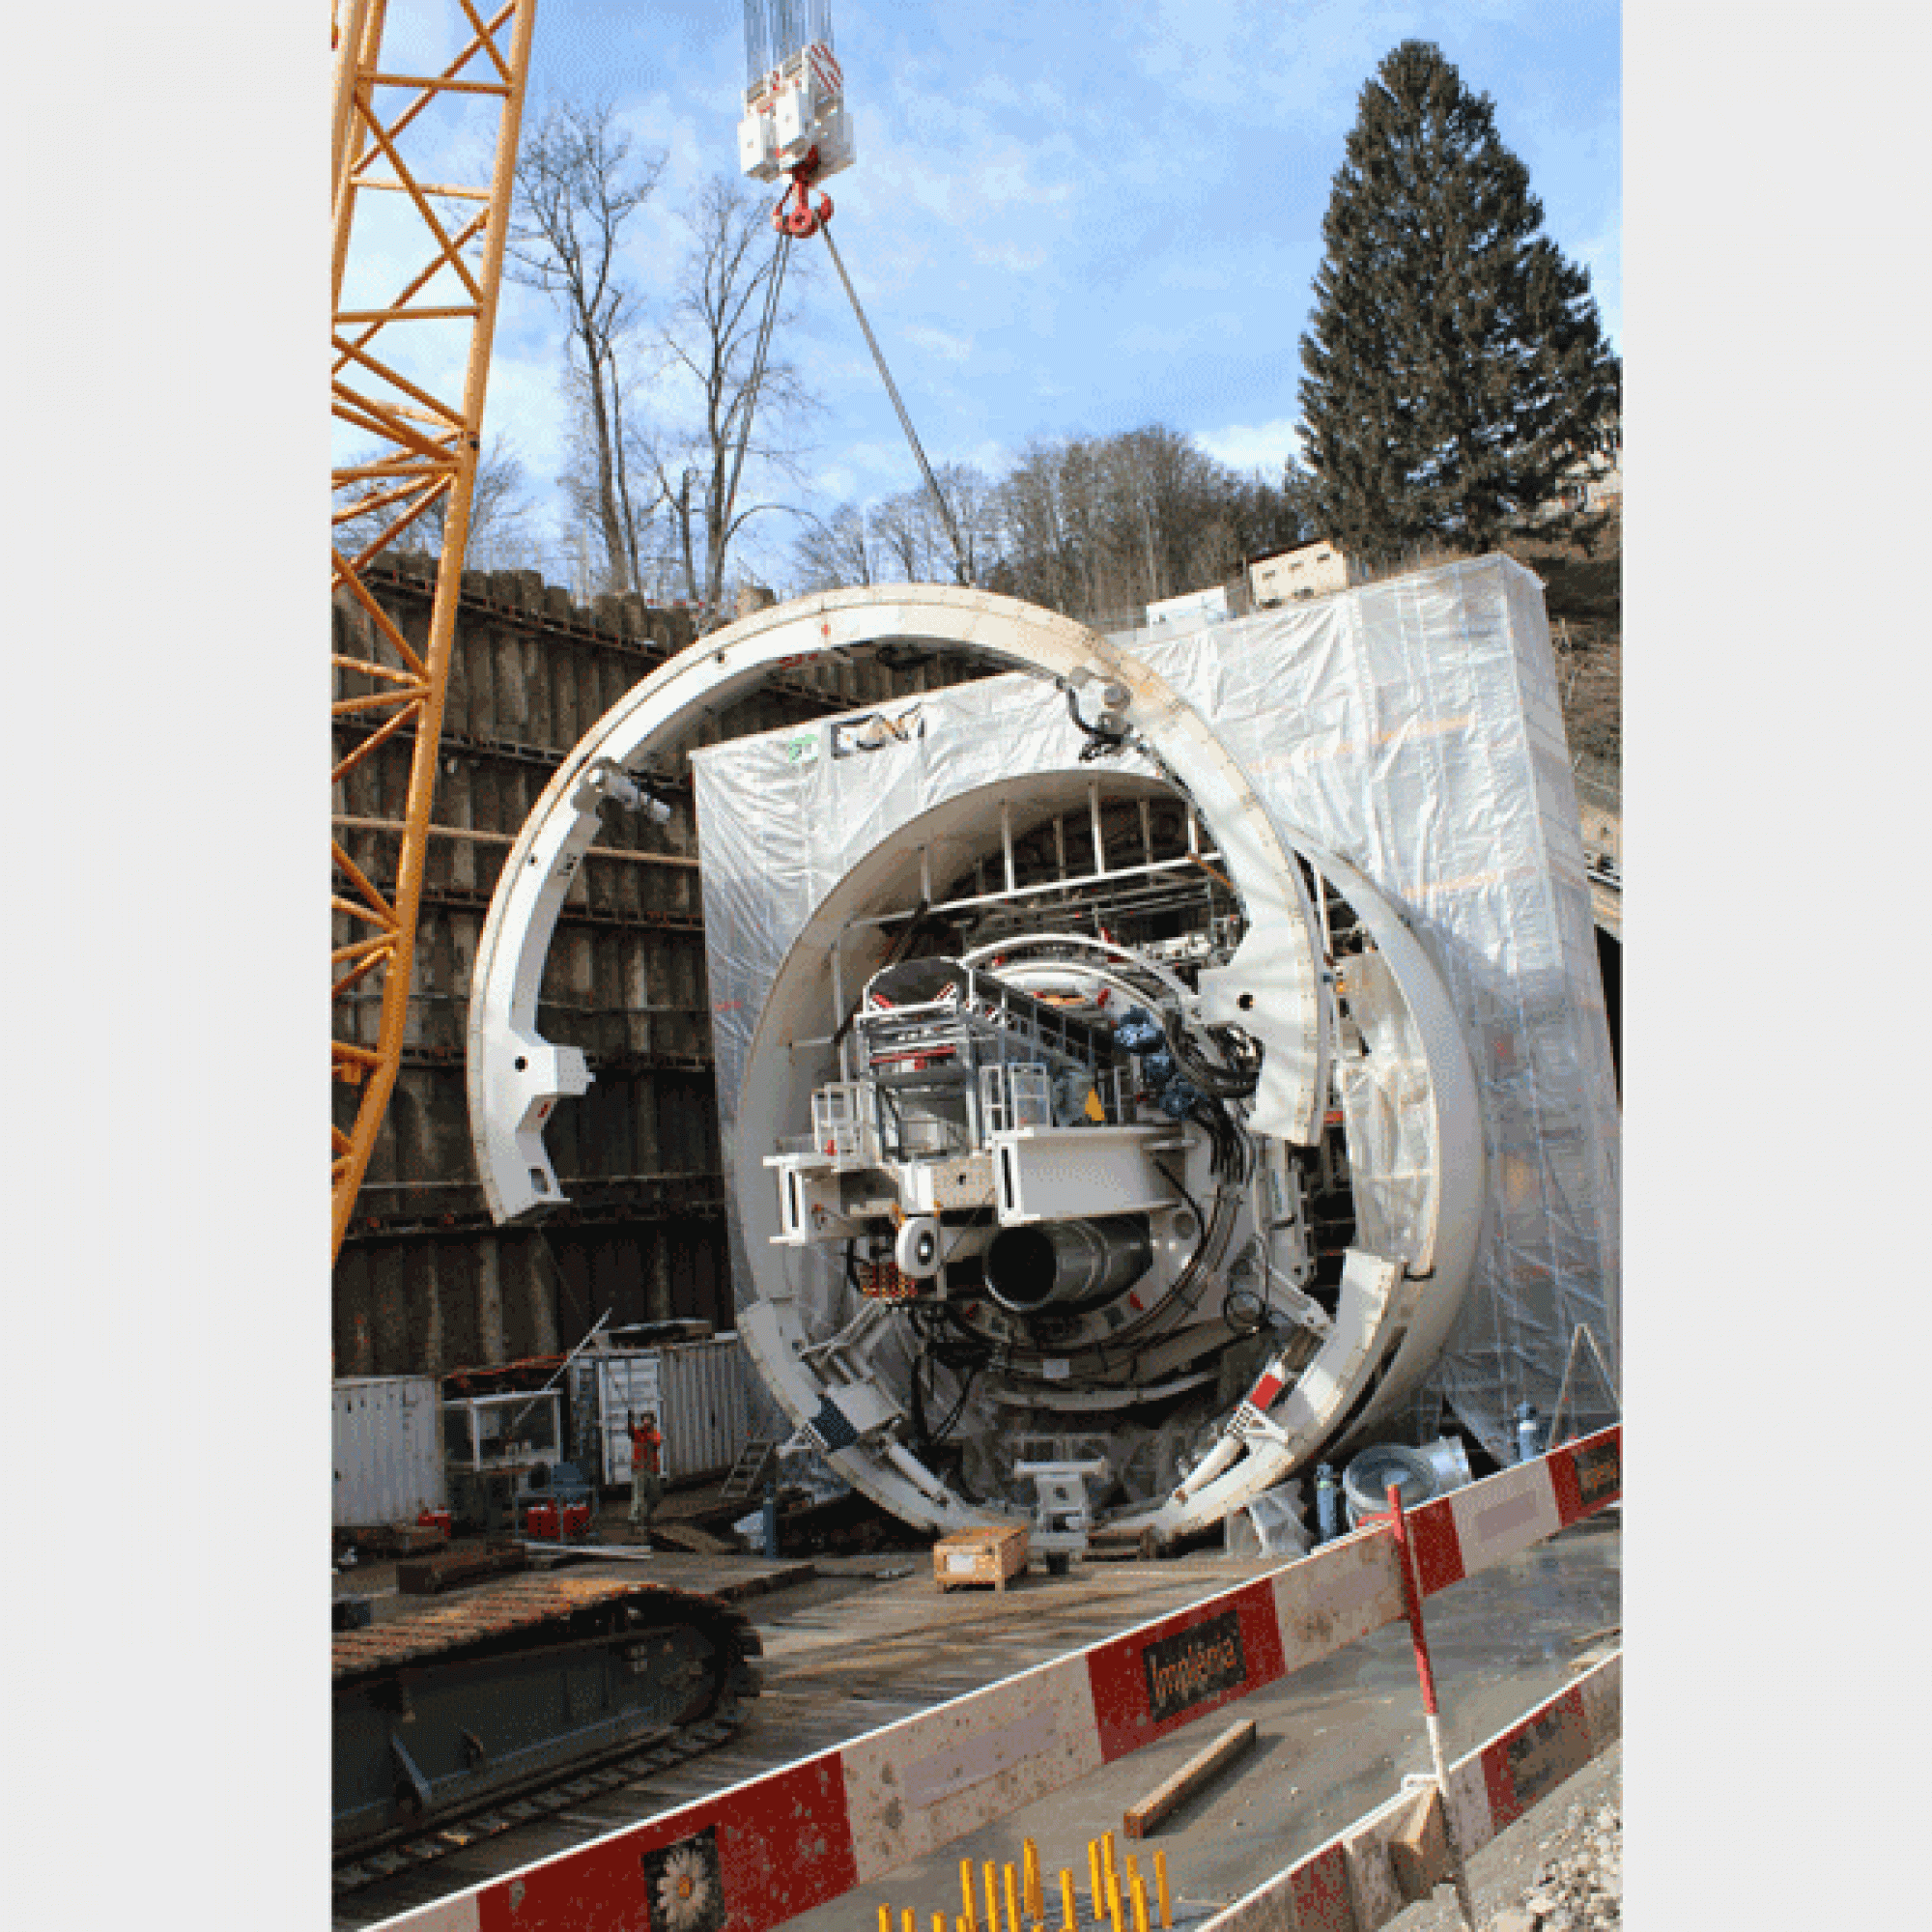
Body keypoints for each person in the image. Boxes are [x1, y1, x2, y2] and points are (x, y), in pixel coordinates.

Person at [628, 1409, 665, 1534]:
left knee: (656, 1495)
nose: (647, 1422)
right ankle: (635, 1520)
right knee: (638, 1496)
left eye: (649, 1419)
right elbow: (631, 1433)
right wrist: (630, 1420)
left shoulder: (655, 1434)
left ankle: (646, 1515)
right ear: (642, 1421)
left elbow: (655, 1444)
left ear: (653, 1422)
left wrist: (647, 1435)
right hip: (639, 1469)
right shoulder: (638, 1432)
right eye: (645, 1419)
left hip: (652, 1469)